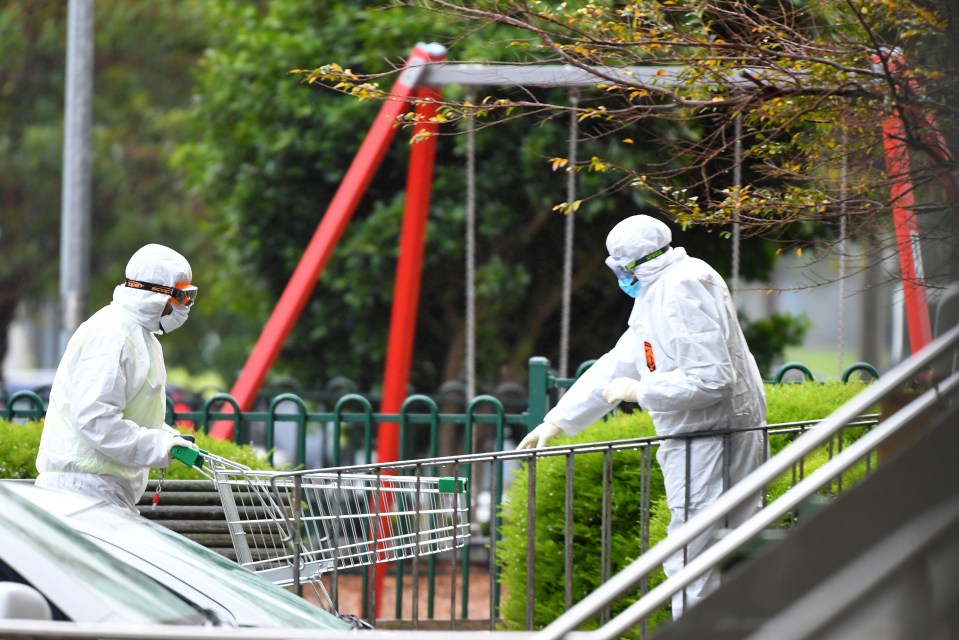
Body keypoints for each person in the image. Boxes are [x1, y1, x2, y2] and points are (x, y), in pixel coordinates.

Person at [517, 214, 766, 618]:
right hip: (706, 435)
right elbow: (619, 362)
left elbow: (713, 378)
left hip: (709, 437)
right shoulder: (659, 290)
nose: (617, 273)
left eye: (619, 264)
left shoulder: (681, 288)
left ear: (635, 262)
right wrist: (559, 421)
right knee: (709, 552)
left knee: (693, 556)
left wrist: (642, 392)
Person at [36, 244, 200, 514]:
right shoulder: (112, 335)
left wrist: (170, 438)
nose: (185, 306)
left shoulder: (139, 336)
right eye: (181, 296)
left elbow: (135, 415)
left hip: (100, 491)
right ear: (155, 294)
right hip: (81, 493)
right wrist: (159, 445)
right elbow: (95, 419)